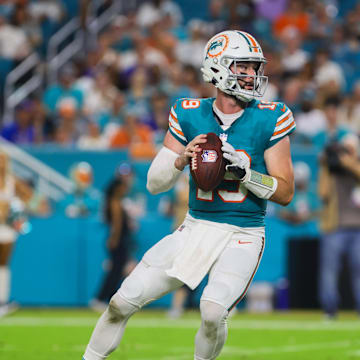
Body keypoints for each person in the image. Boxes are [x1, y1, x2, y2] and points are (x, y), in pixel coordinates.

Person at [82, 29, 295, 360]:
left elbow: (285, 192)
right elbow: (155, 184)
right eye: (243, 66)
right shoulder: (188, 112)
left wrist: (246, 173)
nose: (252, 74)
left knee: (212, 312)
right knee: (120, 301)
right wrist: (181, 159)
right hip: (195, 227)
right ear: (217, 67)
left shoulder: (271, 116)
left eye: (254, 67)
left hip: (243, 233)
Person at [317, 97, 360, 319]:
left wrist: (349, 162)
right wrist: (326, 166)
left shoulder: (355, 166)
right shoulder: (331, 171)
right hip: (334, 225)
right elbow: (322, 194)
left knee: (358, 272)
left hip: (357, 226)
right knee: (329, 272)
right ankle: (329, 310)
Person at [90, 166, 136, 312]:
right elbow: (116, 222)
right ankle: (100, 298)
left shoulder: (115, 201)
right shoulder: (115, 201)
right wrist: (115, 238)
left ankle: (108, 297)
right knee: (115, 270)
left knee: (118, 269)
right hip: (118, 239)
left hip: (120, 238)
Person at [0, 151, 31, 317]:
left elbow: (29, 196)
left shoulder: (12, 181)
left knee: (3, 263)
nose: (1, 164)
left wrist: (17, 209)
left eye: (3, 160)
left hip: (6, 228)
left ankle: (2, 300)